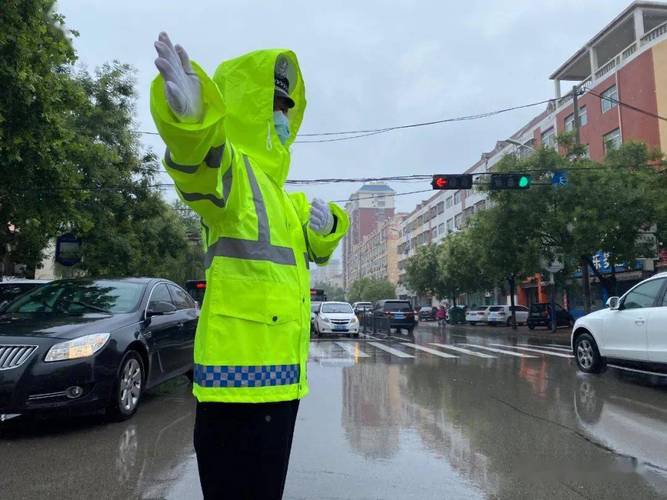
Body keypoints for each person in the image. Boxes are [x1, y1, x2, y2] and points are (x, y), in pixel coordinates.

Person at [151, 33, 349, 499]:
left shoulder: (282, 196)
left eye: (286, 106)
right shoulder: (237, 176)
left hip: (280, 386)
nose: (282, 116)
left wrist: (330, 226)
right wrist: (195, 124)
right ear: (249, 106)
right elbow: (201, 169)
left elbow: (319, 247)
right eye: (273, 104)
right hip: (235, 388)